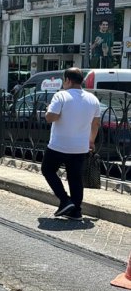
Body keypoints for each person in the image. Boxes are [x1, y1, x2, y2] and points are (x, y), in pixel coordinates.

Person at [41, 67, 101, 221]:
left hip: (59, 144)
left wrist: (48, 110)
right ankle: (76, 211)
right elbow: (95, 124)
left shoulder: (61, 96)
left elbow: (51, 117)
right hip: (80, 146)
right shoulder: (92, 99)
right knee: (75, 178)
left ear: (67, 80)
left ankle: (65, 200)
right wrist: (91, 141)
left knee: (48, 170)